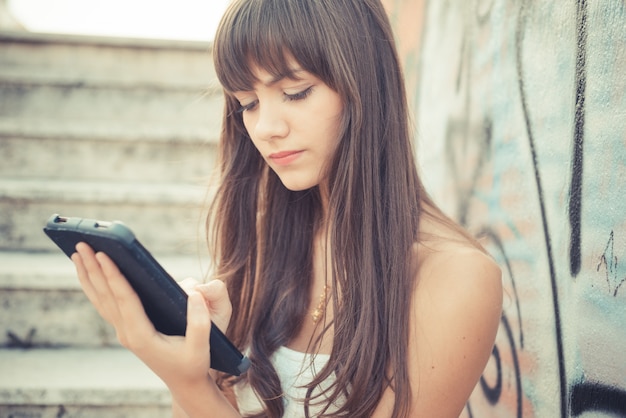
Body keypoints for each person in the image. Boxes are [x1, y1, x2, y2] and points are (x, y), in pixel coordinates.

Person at [71, 0, 503, 416]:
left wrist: (188, 384)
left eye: (295, 93)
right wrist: (200, 365)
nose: (265, 128)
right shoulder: (267, 239)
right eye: (248, 103)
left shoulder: (455, 277)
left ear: (364, 86)